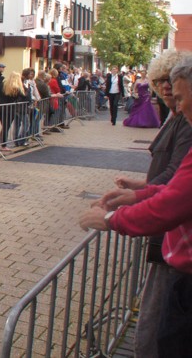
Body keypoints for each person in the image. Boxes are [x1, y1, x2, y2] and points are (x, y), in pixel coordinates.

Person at [79, 56, 192, 357]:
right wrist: (139, 193)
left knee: (162, 339)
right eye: (160, 83)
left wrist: (111, 219)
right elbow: (175, 188)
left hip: (182, 266)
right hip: (175, 257)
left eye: (180, 95)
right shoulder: (178, 120)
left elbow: (172, 201)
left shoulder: (185, 126)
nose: (175, 102)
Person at [0, 72, 29, 151]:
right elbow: (25, 97)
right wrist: (26, 88)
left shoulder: (3, 85)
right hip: (10, 109)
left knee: (4, 127)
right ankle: (3, 145)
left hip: (1, 108)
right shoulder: (16, 88)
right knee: (6, 127)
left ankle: (3, 144)